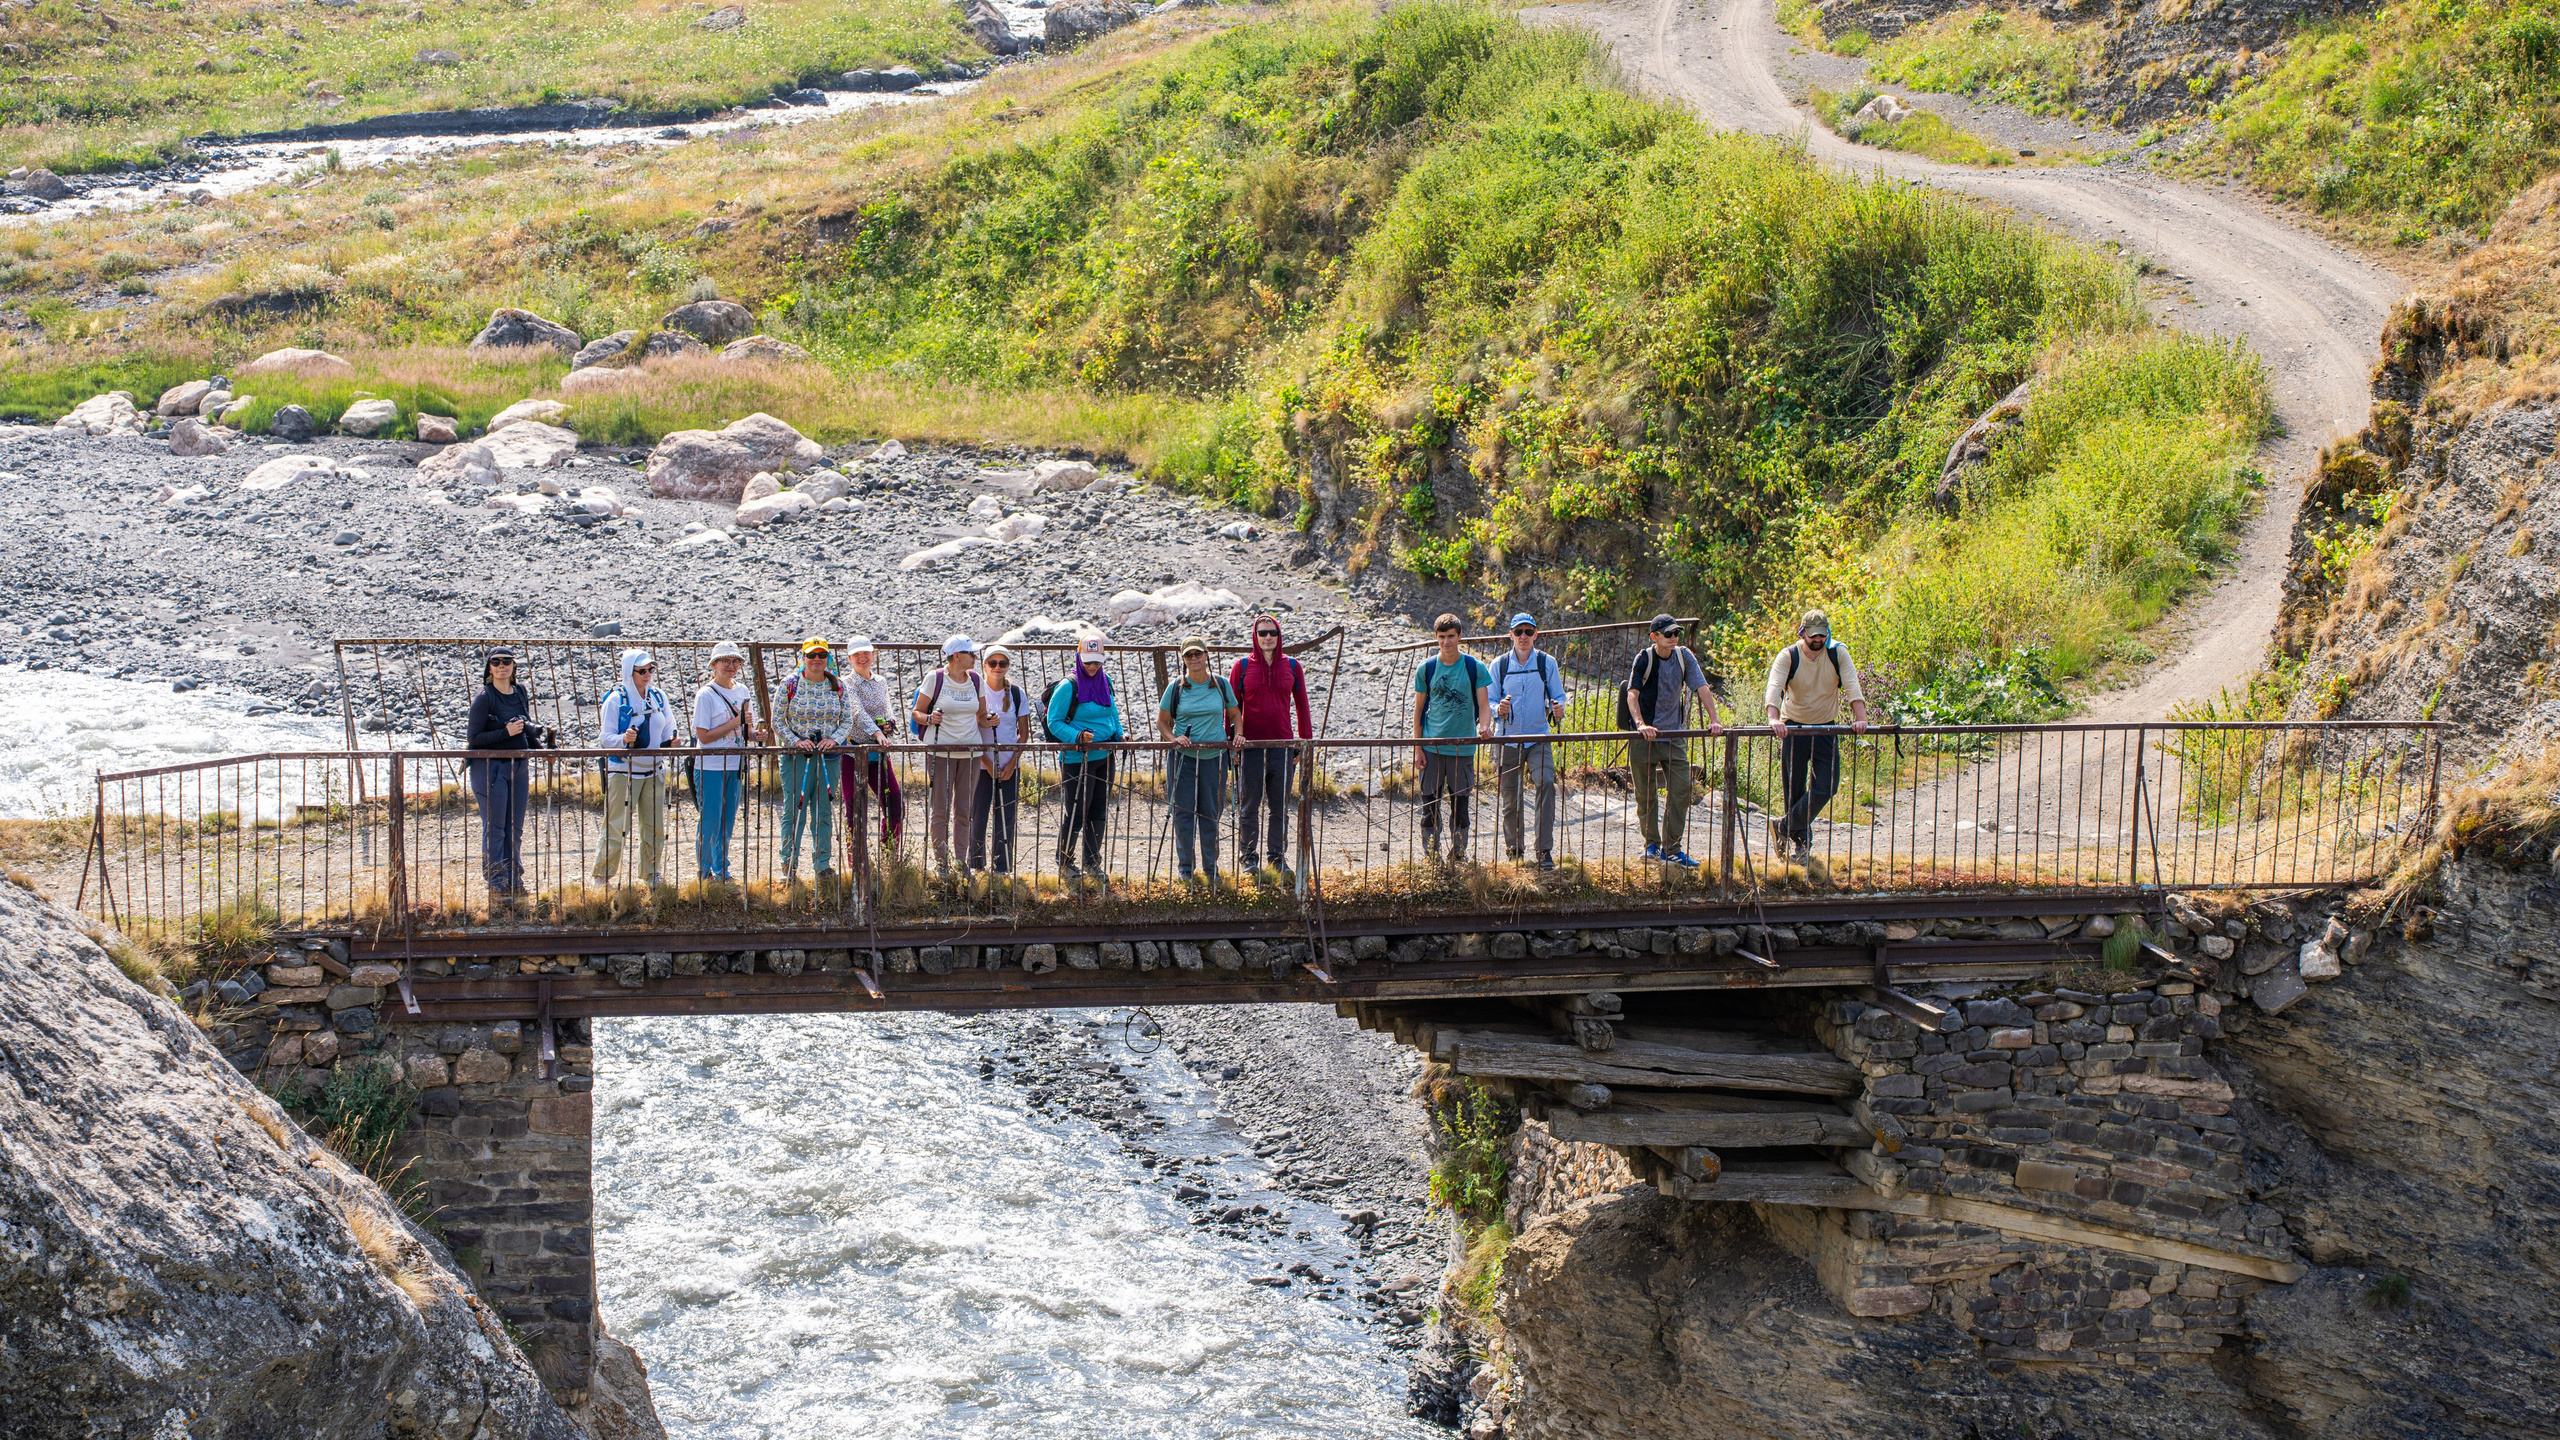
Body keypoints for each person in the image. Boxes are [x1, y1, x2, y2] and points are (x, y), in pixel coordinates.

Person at [1764, 609, 1870, 863]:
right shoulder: (1789, 656)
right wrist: (1773, 719)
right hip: (1794, 728)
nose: (1818, 640)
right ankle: (1802, 846)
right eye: (1813, 636)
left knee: (1827, 785)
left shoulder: (1837, 653)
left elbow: (1853, 686)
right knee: (1795, 789)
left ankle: (1783, 826)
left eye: (1822, 635)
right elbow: (1774, 687)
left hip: (1826, 728)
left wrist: (1861, 717)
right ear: (1803, 633)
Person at [1622, 614, 1721, 869]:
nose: (1674, 637)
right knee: (1645, 795)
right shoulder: (1644, 658)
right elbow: (1632, 694)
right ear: (1654, 637)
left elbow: (1701, 687)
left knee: (1680, 790)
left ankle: (1672, 849)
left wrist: (1714, 720)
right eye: (1668, 634)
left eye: (1676, 632)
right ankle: (1652, 846)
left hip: (1673, 736)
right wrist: (1642, 725)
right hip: (1645, 738)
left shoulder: (1683, 656)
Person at [1229, 614, 1312, 880]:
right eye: (1263, 633)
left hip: (1282, 746)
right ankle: (1248, 858)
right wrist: (1233, 743)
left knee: (1279, 806)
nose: (1267, 637)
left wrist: (1304, 740)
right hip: (1251, 746)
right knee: (1249, 805)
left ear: (1279, 636)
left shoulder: (1292, 666)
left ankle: (1277, 858)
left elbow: (1302, 704)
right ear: (1255, 636)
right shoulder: (1241, 667)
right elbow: (1231, 709)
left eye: (1272, 633)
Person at [1410, 614, 1493, 862]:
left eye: (1451, 637)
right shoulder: (1427, 669)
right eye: (1442, 637)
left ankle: (1458, 855)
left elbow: (1484, 703)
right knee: (1429, 807)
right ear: (1436, 637)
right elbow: (1418, 711)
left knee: (1460, 807)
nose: (1447, 642)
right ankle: (1431, 858)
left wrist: (1486, 726)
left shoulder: (1474, 667)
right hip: (1432, 747)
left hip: (1462, 749)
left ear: (1460, 637)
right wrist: (1418, 748)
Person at [1158, 635, 1241, 885]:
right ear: (1183, 660)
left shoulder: (1221, 685)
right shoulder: (1176, 687)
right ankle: (1185, 867)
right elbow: (1162, 722)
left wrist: (1238, 737)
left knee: (1210, 813)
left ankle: (1210, 867)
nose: (1194, 659)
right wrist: (1174, 738)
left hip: (1214, 759)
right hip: (1183, 758)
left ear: (1206, 655)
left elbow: (1236, 714)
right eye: (1188, 655)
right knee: (1183, 813)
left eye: (1198, 654)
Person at [1490, 614, 1567, 870]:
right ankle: (1515, 851)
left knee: (1546, 784)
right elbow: (1489, 701)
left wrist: (1559, 708)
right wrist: (1497, 708)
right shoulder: (1499, 665)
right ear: (1510, 635)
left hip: (1538, 738)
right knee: (1511, 796)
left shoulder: (1547, 663)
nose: (1524, 636)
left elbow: (1558, 696)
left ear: (1536, 634)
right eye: (1518, 631)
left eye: (1529, 631)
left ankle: (1544, 851)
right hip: (1508, 740)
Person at [773, 637, 852, 881]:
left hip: (828, 758)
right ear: (803, 658)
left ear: (827, 658)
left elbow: (847, 720)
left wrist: (834, 740)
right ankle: (789, 864)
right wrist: (796, 741)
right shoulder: (790, 684)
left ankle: (822, 864)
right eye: (811, 655)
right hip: (797, 757)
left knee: (824, 810)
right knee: (794, 810)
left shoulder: (837, 685)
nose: (817, 659)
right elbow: (778, 720)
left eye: (821, 655)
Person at [594, 648, 675, 887]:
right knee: (616, 825)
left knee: (654, 826)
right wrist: (623, 739)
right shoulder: (615, 700)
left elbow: (669, 725)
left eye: (651, 669)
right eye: (642, 671)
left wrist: (671, 740)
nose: (648, 674)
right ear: (630, 672)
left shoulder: (659, 697)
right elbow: (605, 738)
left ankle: (651, 873)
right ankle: (602, 875)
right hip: (624, 772)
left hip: (654, 770)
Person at [912, 634, 992, 874]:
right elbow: (917, 712)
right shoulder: (934, 679)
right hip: (940, 752)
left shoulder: (976, 679)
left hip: (970, 752)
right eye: (971, 653)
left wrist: (990, 720)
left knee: (965, 810)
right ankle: (941, 863)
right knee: (941, 809)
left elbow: (980, 717)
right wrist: (929, 718)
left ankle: (960, 862)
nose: (976, 657)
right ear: (957, 656)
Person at [1048, 636, 1122, 879]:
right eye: (1088, 662)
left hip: (1104, 756)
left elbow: (1113, 714)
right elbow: (1054, 722)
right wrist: (1077, 736)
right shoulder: (1068, 686)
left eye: (1097, 663)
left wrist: (1120, 735)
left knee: (1099, 810)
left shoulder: (1106, 681)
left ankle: (1092, 862)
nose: (1092, 667)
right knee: (1077, 811)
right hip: (1077, 759)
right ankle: (1065, 862)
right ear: (1079, 657)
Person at [465, 646, 533, 897]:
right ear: (489, 668)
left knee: (514, 826)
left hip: (518, 766)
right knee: (495, 826)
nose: (502, 666)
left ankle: (514, 875)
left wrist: (542, 746)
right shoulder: (485, 697)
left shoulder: (521, 692)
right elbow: (473, 737)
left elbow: (523, 727)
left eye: (507, 661)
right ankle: (495, 878)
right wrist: (505, 733)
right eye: (496, 662)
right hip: (490, 769)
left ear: (514, 666)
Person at [691, 641, 755, 883]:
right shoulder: (705, 695)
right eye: (725, 661)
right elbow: (704, 737)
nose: (731, 666)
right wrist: (735, 723)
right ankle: (704, 871)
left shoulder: (743, 691)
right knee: (710, 820)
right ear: (714, 665)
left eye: (735, 661)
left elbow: (745, 729)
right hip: (710, 767)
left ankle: (722, 869)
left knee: (727, 821)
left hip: (735, 765)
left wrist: (753, 734)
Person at [839, 636, 904, 851]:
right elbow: (855, 711)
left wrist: (889, 724)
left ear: (873, 654)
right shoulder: (846, 683)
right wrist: (877, 733)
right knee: (855, 807)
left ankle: (889, 853)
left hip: (878, 754)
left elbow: (888, 709)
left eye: (866, 653)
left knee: (895, 803)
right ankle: (855, 859)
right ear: (849, 658)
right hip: (853, 754)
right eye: (857, 654)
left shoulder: (881, 682)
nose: (862, 657)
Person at [968, 644, 1028, 875]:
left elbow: (1023, 733)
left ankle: (1002, 867)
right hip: (982, 765)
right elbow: (970, 730)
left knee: (1006, 816)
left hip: (1009, 765)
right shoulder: (976, 691)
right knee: (978, 815)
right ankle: (976, 866)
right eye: (992, 663)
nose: (997, 667)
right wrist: (987, 761)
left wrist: (1013, 762)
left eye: (1003, 663)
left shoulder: (1015, 693)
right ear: (984, 665)